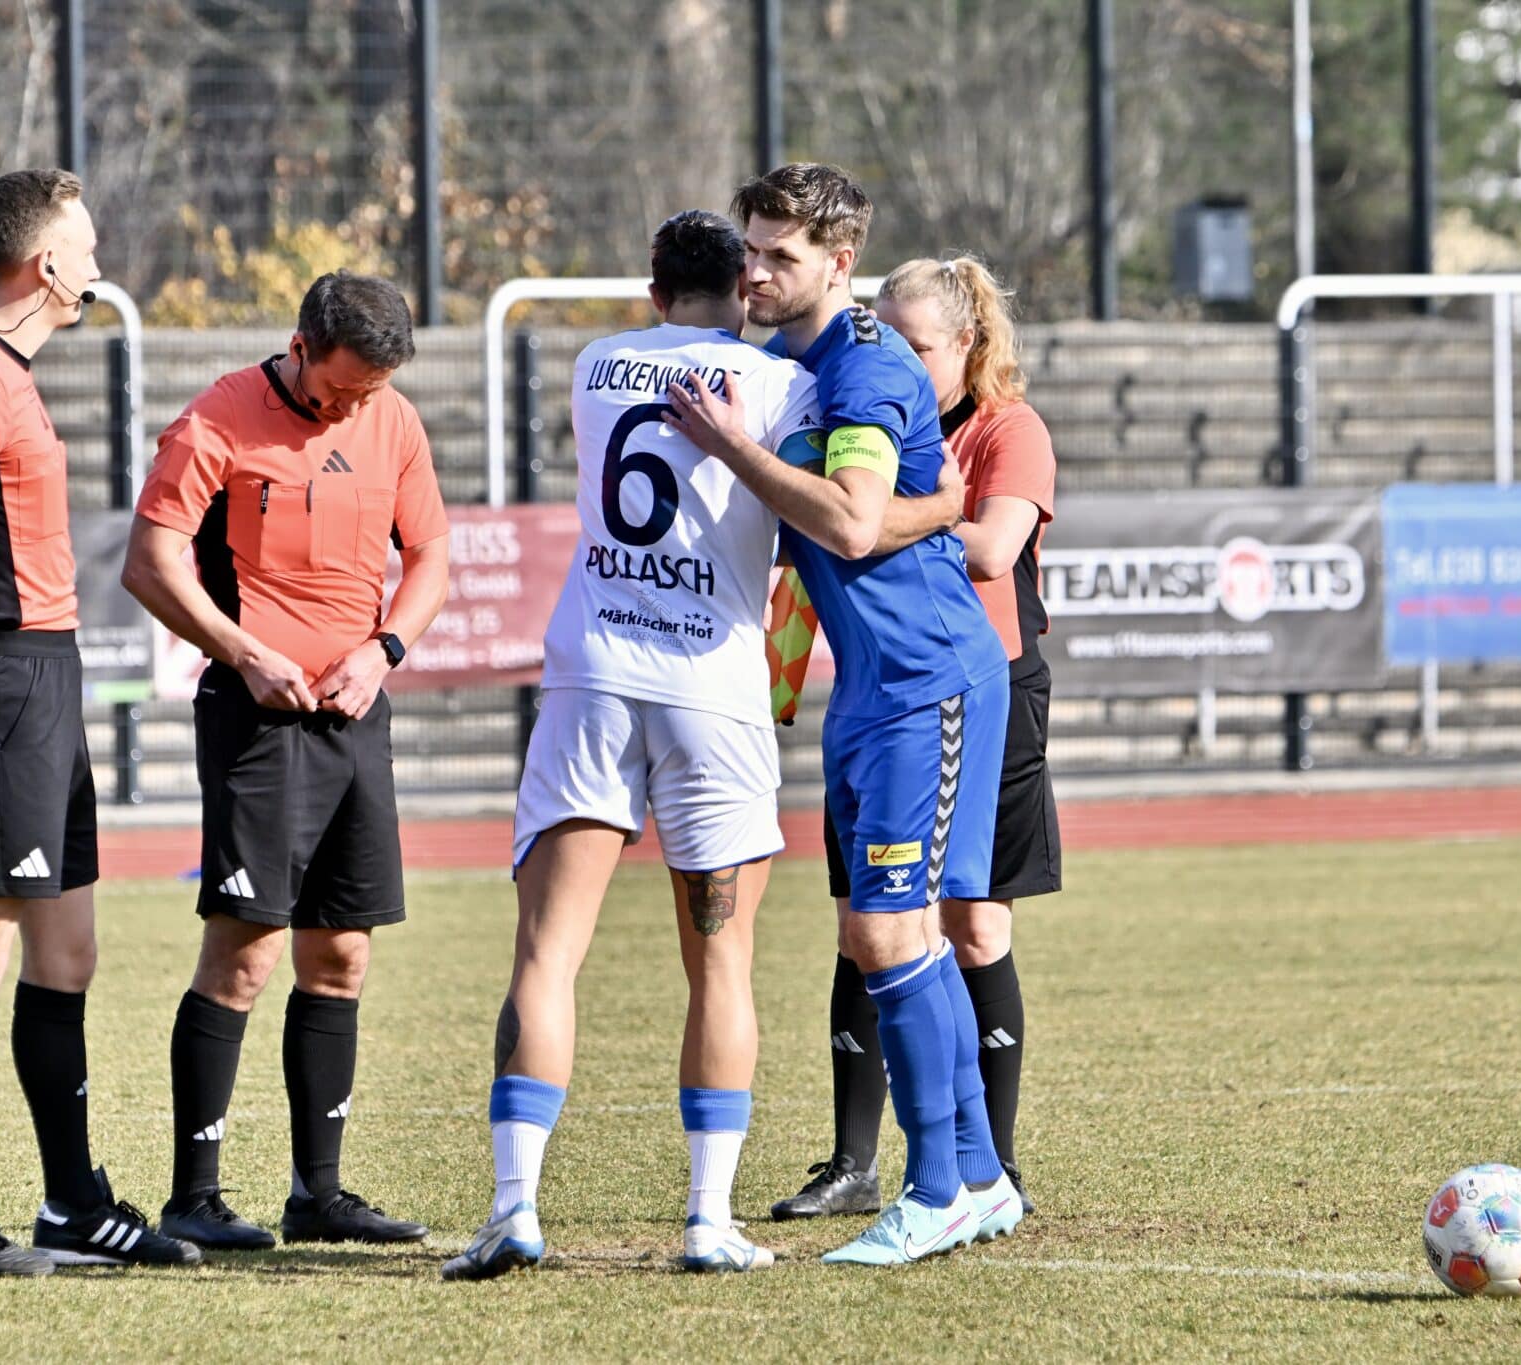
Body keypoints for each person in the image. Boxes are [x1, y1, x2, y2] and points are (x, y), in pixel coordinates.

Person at [443, 210, 960, 1280]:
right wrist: (942, 498)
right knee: (718, 963)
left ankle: (513, 1208)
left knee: (546, 953)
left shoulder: (595, 364)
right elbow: (842, 515)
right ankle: (707, 1220)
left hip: (593, 674)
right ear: (744, 281)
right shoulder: (784, 386)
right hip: (711, 689)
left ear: (649, 284)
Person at [664, 162, 1023, 1266]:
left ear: (839, 261)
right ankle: (975, 1177)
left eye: (779, 255)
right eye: (749, 249)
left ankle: (932, 1190)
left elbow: (854, 523)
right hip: (870, 689)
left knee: (882, 933)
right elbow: (862, 520)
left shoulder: (862, 372)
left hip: (925, 679)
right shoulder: (783, 363)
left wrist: (733, 449)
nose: (754, 271)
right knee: (903, 934)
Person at [0, 168, 199, 1276]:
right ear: (46, 265)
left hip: (44, 677)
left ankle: (69, 1203)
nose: (100, 261)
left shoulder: (4, 375)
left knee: (66, 949)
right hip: (6, 682)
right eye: (88, 243)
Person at [122, 272, 451, 1251]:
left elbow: (430, 557)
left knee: (341, 953)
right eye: (340, 391)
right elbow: (150, 562)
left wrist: (381, 650)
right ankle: (196, 1195)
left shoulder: (392, 420)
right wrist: (244, 654)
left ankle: (320, 1193)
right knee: (247, 950)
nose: (353, 410)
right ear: (299, 345)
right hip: (254, 720)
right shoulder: (216, 419)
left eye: (369, 394)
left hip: (355, 716)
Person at [773, 255, 1061, 1223]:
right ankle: (854, 1159)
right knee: (870, 926)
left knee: (970, 926)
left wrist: (877, 513)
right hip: (880, 692)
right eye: (882, 334)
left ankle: (991, 1166)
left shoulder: (1004, 429)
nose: (893, 354)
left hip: (983, 689)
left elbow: (986, 547)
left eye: (916, 342)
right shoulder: (856, 408)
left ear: (966, 346)